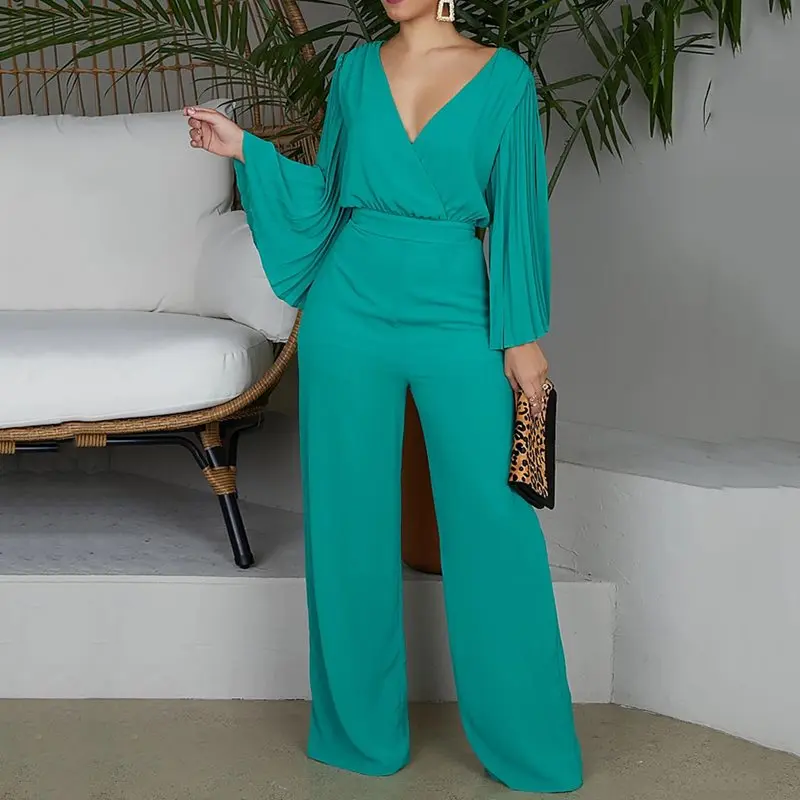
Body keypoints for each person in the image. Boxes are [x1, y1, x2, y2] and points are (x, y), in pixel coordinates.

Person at [184, 0, 583, 792]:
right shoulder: (356, 72)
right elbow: (328, 198)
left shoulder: (504, 79)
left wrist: (523, 338)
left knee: (496, 524)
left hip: (457, 311)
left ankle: (531, 746)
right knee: (346, 525)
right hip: (349, 311)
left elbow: (518, 214)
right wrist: (248, 151)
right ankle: (358, 737)